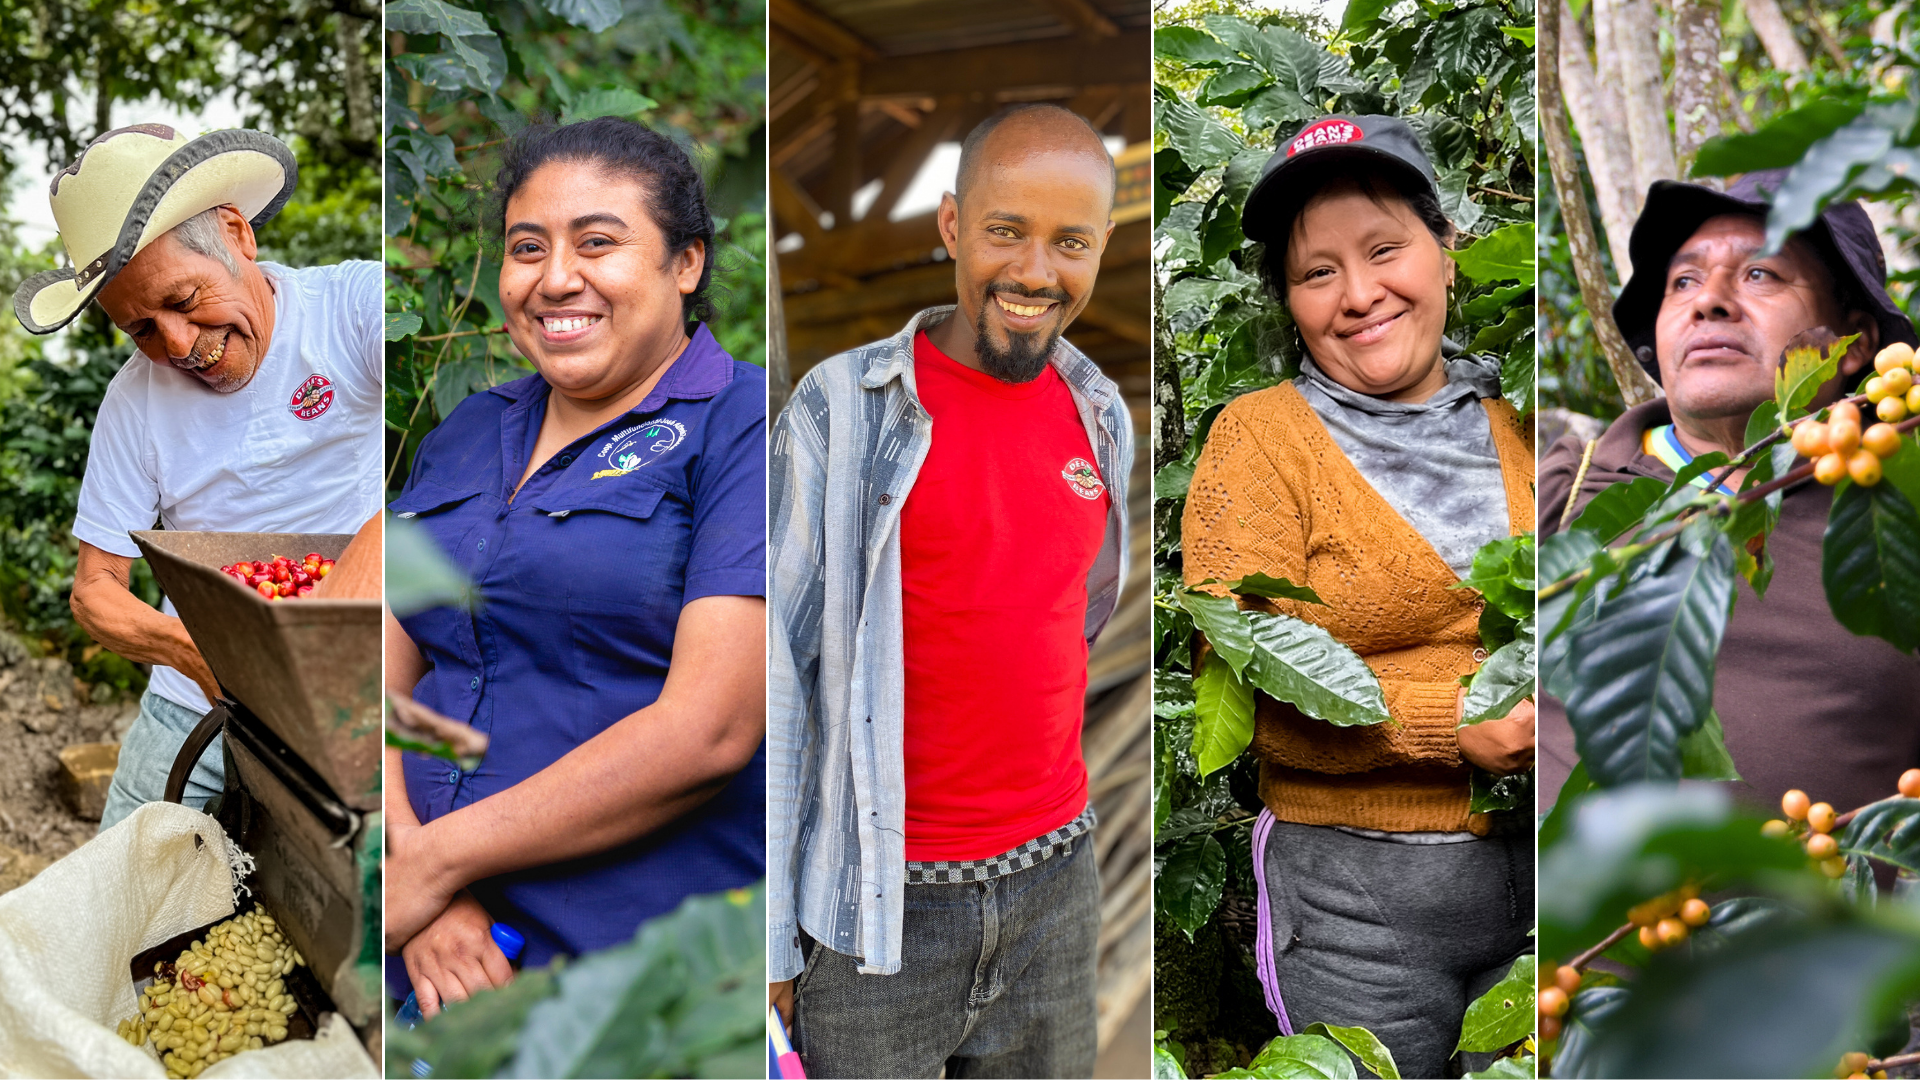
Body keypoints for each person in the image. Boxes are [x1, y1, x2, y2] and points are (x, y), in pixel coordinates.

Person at [767, 103, 1134, 1078]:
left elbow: (1074, 624)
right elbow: (773, 671)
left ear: (1104, 247)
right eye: (1005, 232)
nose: (1033, 273)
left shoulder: (1101, 415)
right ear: (950, 228)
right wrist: (769, 937)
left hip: (1058, 886)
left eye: (1070, 242)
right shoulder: (843, 413)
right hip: (875, 907)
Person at [383, 116, 766, 1016]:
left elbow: (708, 731)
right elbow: (377, 672)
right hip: (433, 945)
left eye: (598, 242)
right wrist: (413, 873)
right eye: (527, 248)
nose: (556, 278)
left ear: (686, 264)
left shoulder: (746, 425)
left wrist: (437, 862)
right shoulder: (470, 430)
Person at [1179, 115, 1537, 1079]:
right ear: (1289, 302)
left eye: (1385, 250)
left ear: (1447, 251)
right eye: (1317, 272)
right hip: (1354, 909)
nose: (1359, 294)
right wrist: (1447, 721)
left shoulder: (1527, 424)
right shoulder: (1261, 441)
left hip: (1544, 882)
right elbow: (1250, 691)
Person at [8, 124, 383, 830]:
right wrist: (206, 658)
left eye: (183, 301)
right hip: (196, 701)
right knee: (126, 885)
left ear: (238, 233)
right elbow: (95, 595)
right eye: (142, 329)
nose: (177, 345)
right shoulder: (134, 403)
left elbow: (445, 465)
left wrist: (326, 615)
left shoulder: (354, 307)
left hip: (356, 682)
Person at [1537, 170, 1920, 816]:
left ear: (1854, 343)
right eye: (1682, 282)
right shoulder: (1560, 490)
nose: (1706, 301)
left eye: (1760, 274)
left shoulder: (1899, 508)